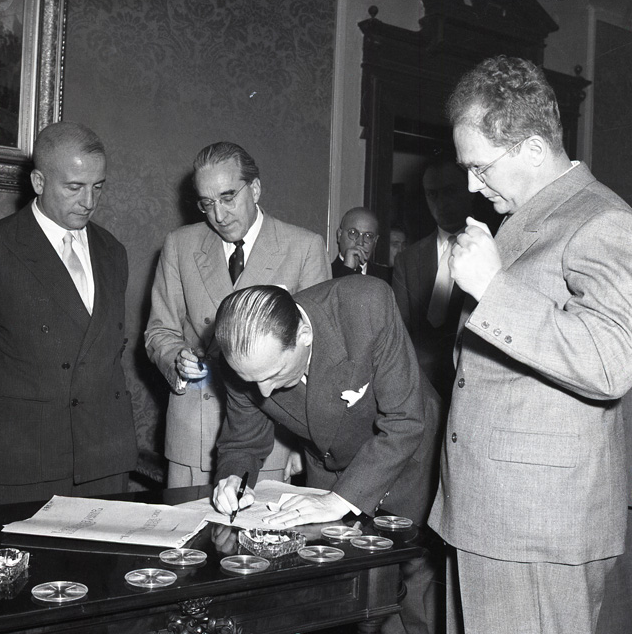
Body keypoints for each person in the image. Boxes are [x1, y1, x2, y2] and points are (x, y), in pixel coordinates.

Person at [427, 55, 632, 634]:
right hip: (488, 515)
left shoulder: (603, 220)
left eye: (481, 167)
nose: (472, 185)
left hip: (538, 526)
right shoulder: (526, 218)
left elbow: (612, 361)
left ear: (535, 150)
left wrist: (493, 286)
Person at [212, 278, 442, 634]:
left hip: (409, 462)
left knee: (413, 600)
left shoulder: (365, 306)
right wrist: (233, 479)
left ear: (305, 334)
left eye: (274, 375)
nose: (264, 392)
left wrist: (340, 499)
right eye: (251, 380)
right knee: (342, 603)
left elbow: (404, 421)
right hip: (330, 467)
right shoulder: (243, 359)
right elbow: (243, 442)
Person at [145, 141, 331, 488]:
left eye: (228, 197)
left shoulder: (304, 247)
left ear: (255, 189)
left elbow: (317, 354)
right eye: (207, 203)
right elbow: (159, 331)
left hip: (271, 435)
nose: (218, 215)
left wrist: (303, 444)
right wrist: (177, 359)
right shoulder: (179, 245)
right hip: (194, 433)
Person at [0, 121, 138, 505]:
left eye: (98, 186)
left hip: (104, 458)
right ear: (39, 182)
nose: (88, 201)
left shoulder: (112, 251)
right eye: (74, 187)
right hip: (25, 460)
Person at [393, 155, 474, 401]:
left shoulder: (490, 250)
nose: (441, 202)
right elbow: (400, 331)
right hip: (420, 390)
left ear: (469, 191)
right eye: (432, 194)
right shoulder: (408, 259)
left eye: (450, 191)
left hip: (470, 387)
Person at [332, 207, 392, 283]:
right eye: (353, 233)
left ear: (375, 241)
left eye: (368, 236)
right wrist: (347, 270)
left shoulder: (388, 278)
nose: (360, 242)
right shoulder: (325, 275)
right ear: (339, 235)